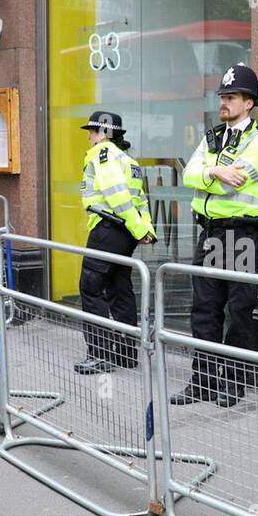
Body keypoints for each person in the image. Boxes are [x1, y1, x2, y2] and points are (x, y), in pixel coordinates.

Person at [172, 63, 258, 408]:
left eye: (231, 97)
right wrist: (215, 169)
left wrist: (208, 172)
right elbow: (188, 174)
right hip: (210, 233)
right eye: (223, 97)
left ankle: (232, 384)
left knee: (239, 311)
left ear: (249, 103)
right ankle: (201, 382)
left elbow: (237, 183)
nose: (224, 103)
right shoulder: (213, 137)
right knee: (204, 310)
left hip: (242, 234)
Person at [76, 110, 156, 374]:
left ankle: (99, 355)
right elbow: (140, 200)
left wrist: (135, 227)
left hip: (107, 228)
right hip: (124, 234)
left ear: (103, 134)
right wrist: (144, 230)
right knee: (120, 289)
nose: (89, 136)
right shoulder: (128, 160)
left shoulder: (104, 155)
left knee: (90, 288)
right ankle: (125, 354)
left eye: (92, 131)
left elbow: (117, 196)